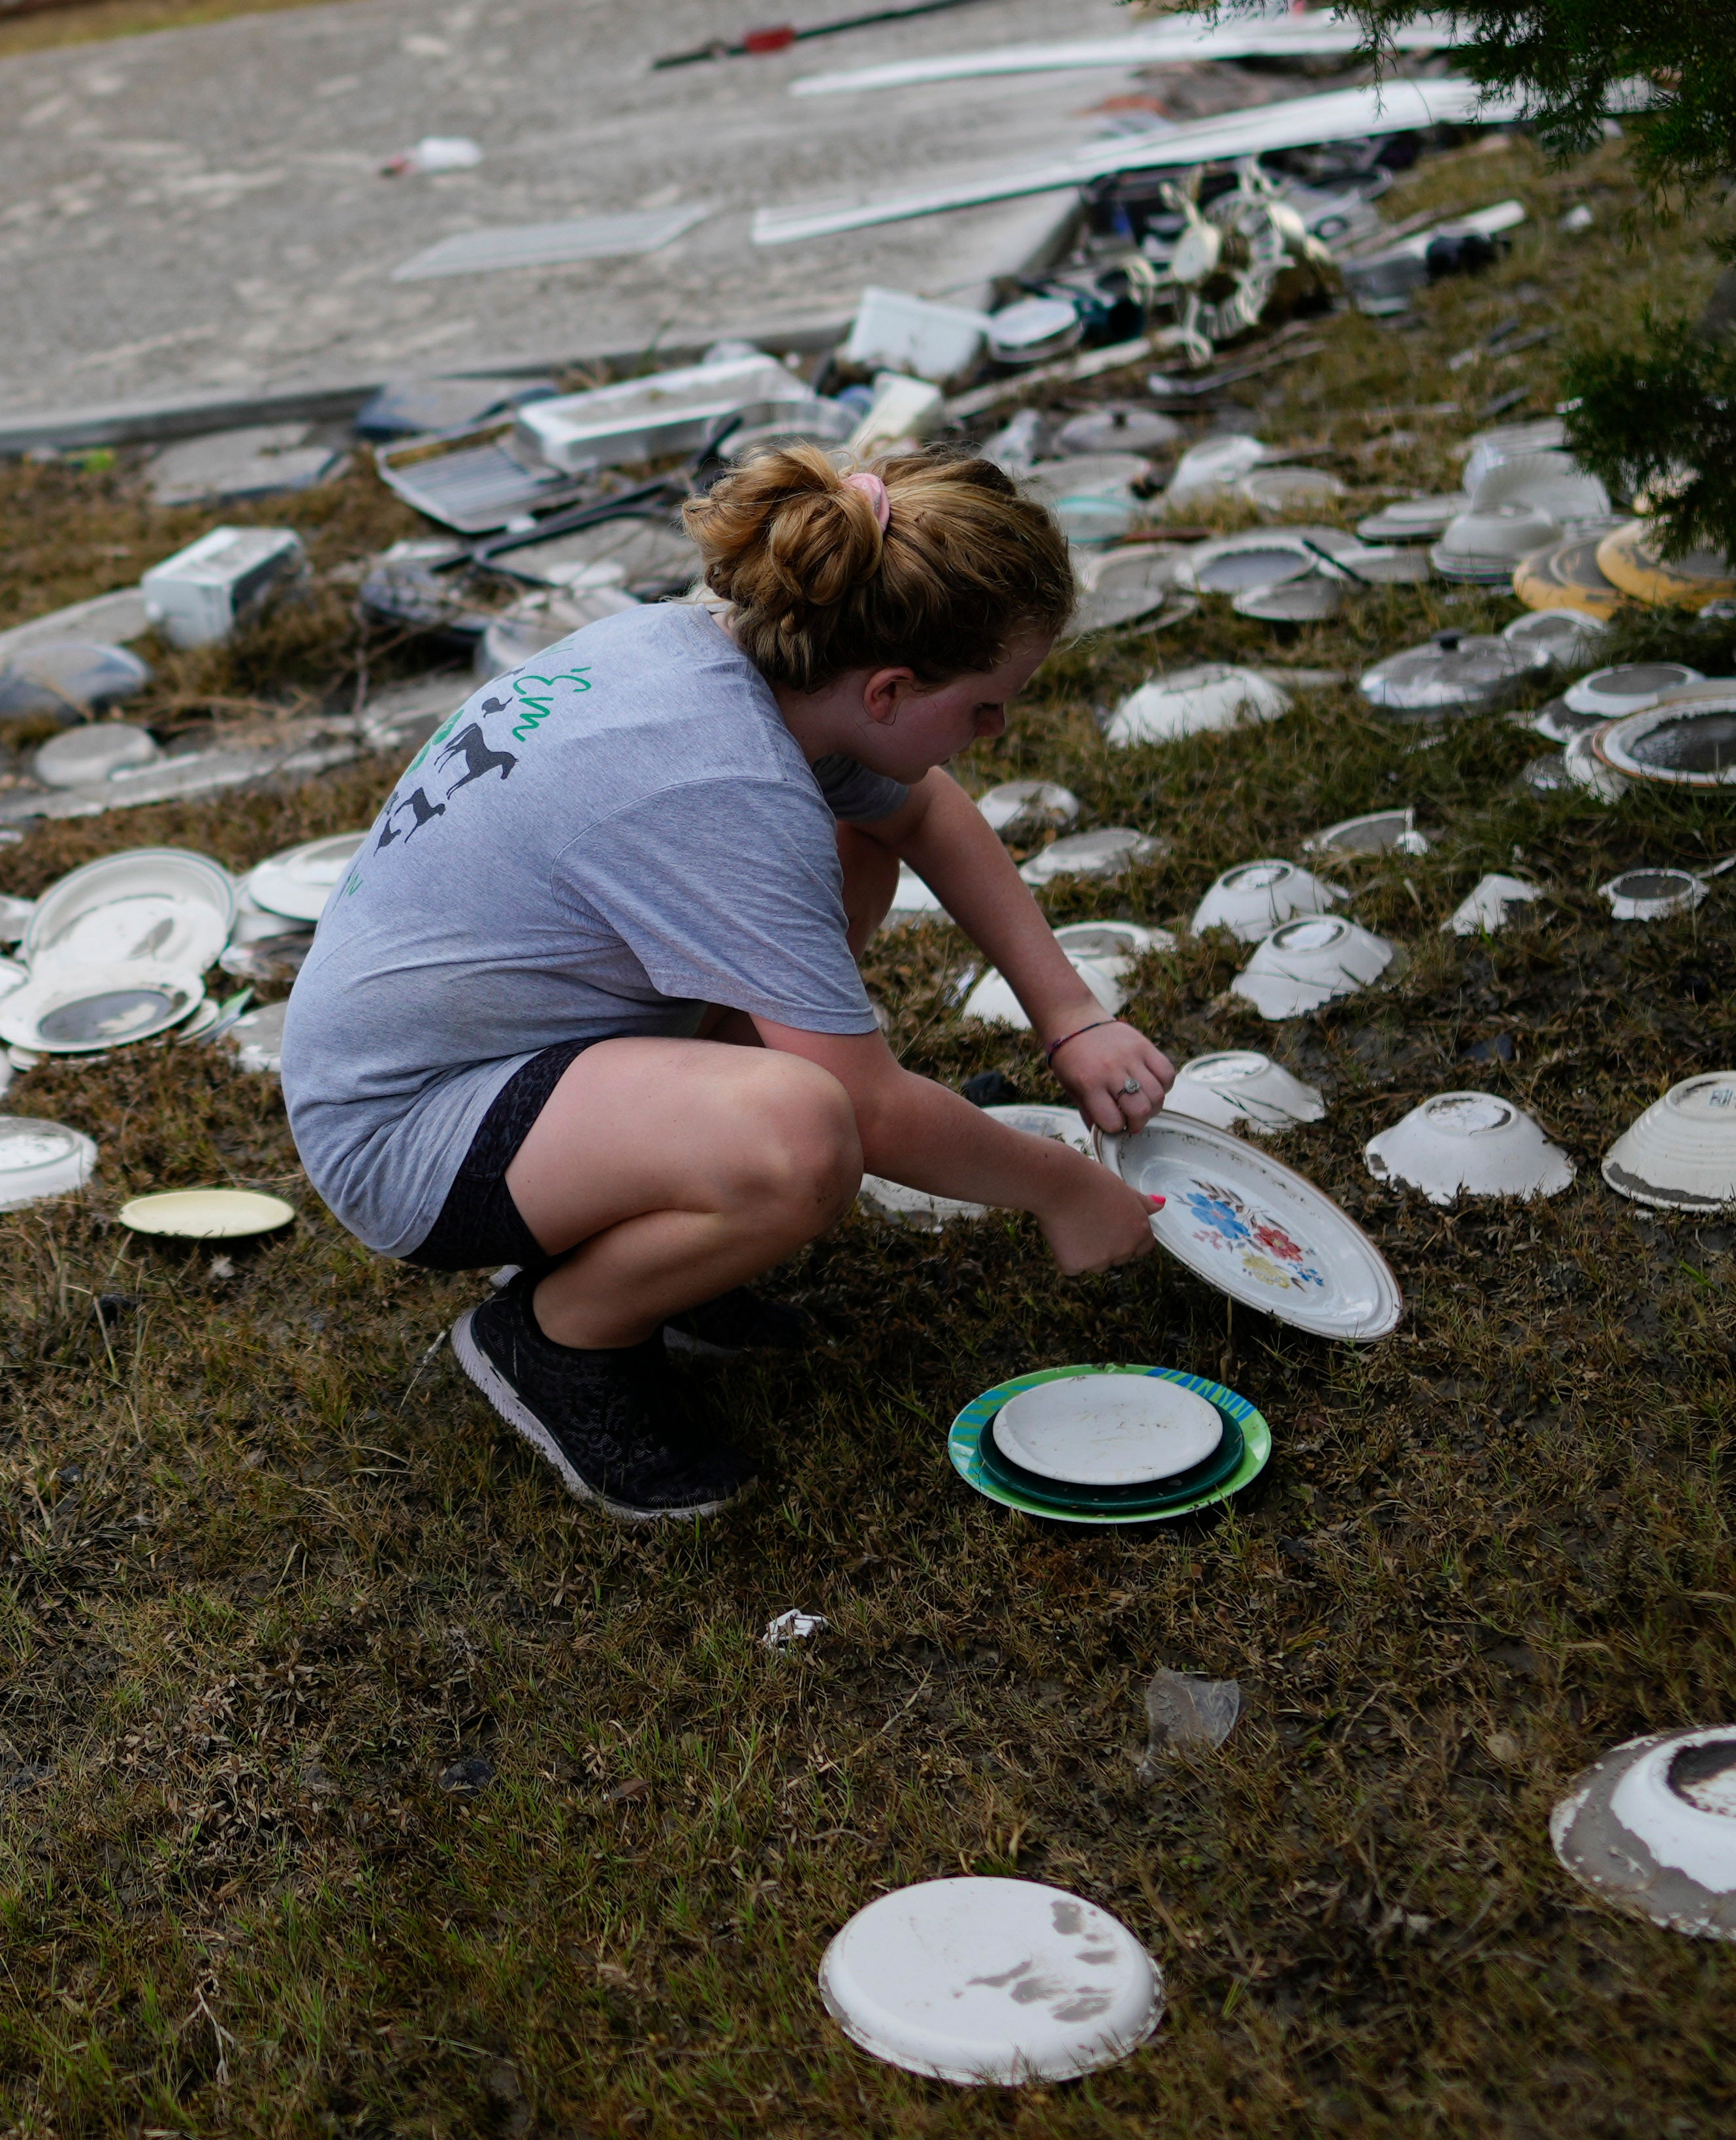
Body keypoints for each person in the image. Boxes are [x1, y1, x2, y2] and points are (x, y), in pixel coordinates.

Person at [277, 440, 1178, 1519]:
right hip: (406, 1136)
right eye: (987, 705)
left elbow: (922, 810)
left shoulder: (737, 656)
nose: (998, 730)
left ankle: (671, 1241)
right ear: (888, 689)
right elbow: (872, 1112)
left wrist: (1070, 1016)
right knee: (803, 1137)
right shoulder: (722, 782)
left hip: (493, 1051)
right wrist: (1063, 1189)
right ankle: (556, 1335)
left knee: (858, 849)